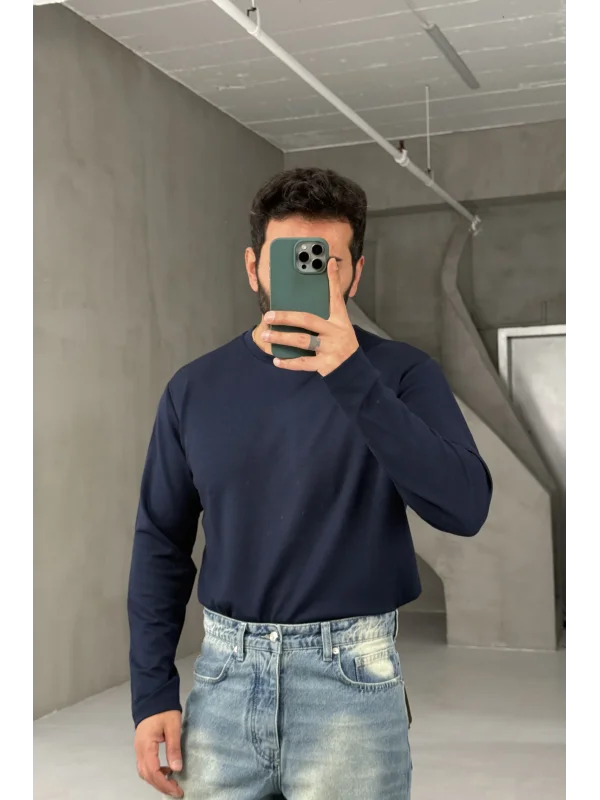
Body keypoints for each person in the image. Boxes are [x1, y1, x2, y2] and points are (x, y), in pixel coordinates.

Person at [129, 167, 493, 799]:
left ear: (355, 272)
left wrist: (352, 376)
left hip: (352, 680)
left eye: (327, 260)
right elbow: (161, 542)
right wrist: (151, 690)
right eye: (290, 258)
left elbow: (465, 507)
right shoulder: (194, 388)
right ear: (254, 268)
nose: (311, 274)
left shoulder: (402, 375)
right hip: (223, 681)